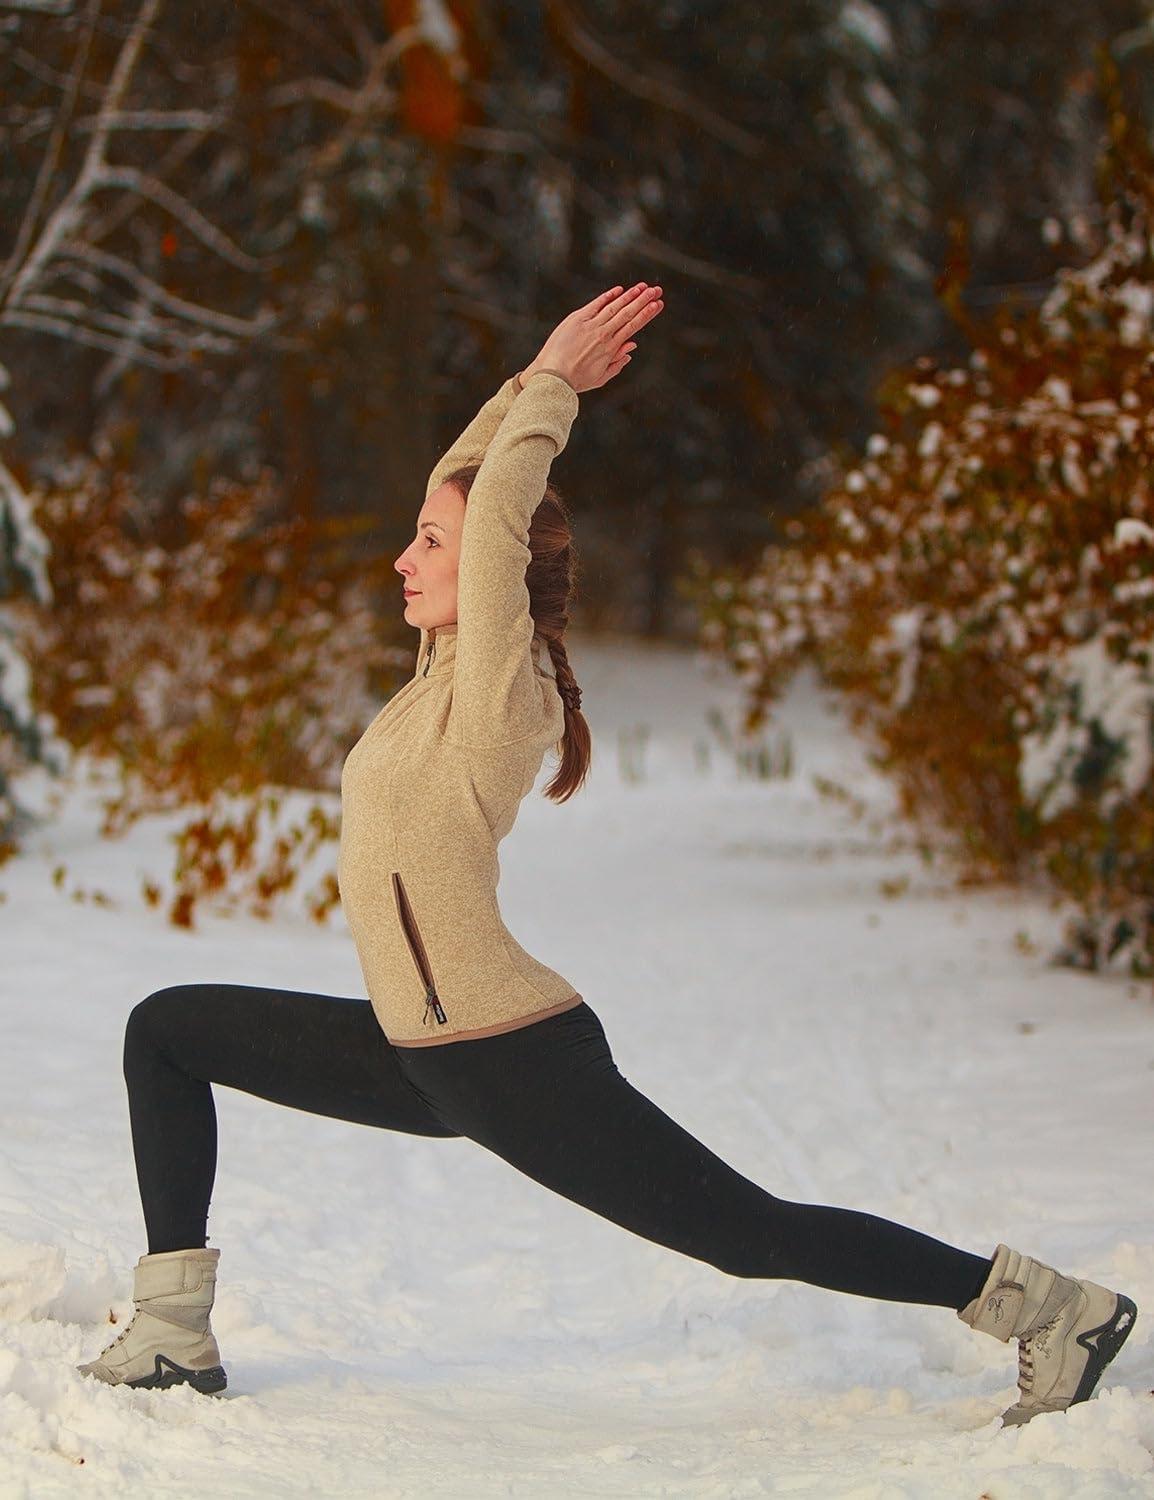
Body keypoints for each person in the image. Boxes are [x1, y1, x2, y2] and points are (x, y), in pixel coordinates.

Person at [77, 284, 1137, 1427]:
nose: (401, 558)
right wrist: (519, 385)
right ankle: (174, 1332)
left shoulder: (499, 691)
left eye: (427, 543)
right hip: (414, 1048)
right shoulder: (435, 679)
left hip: (503, 1054)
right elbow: (465, 483)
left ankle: (1047, 1309)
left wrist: (551, 390)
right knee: (167, 1031)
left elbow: (492, 511)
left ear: (494, 570)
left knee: (747, 1235)